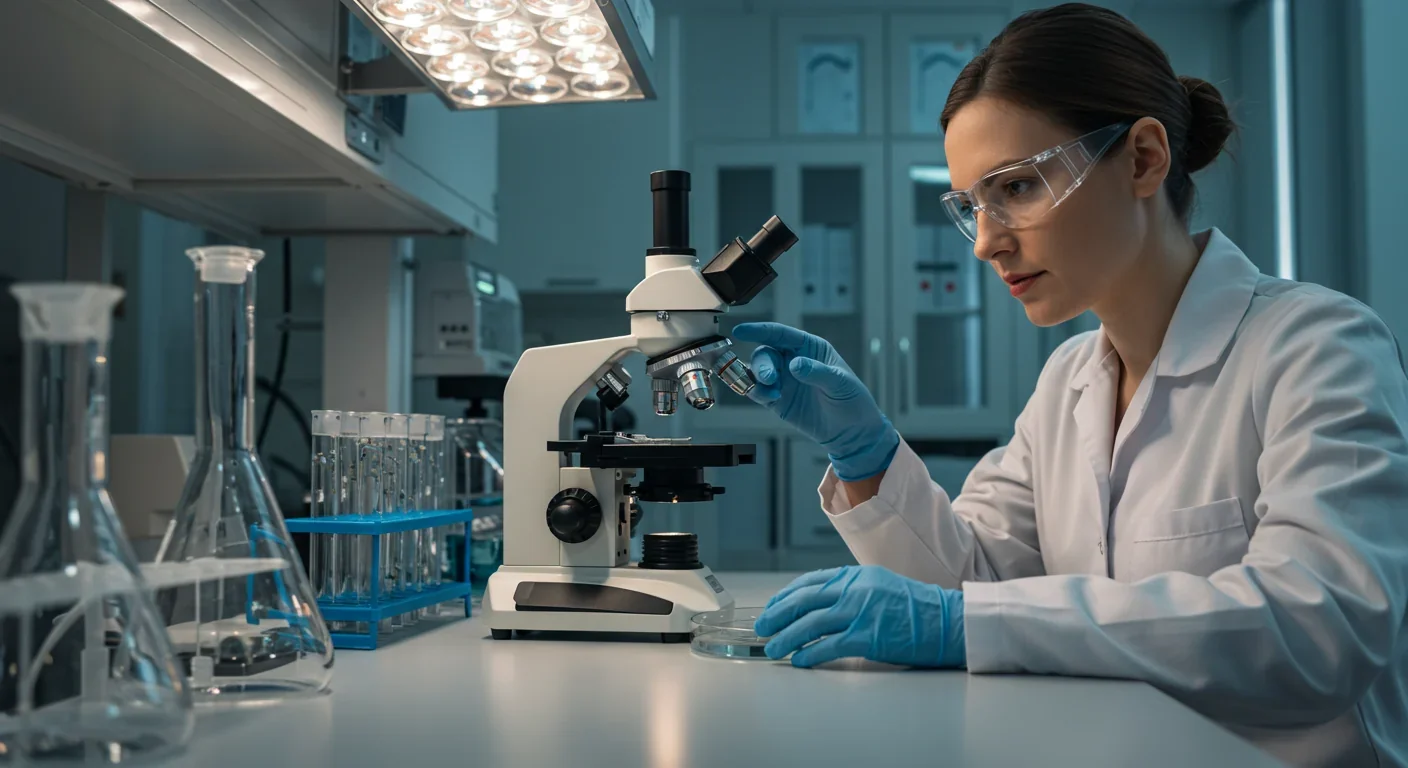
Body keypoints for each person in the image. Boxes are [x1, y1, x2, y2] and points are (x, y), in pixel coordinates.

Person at [735, 4, 1408, 766]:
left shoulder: (1317, 347)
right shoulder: (1069, 381)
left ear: (1145, 159)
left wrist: (967, 626)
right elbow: (970, 586)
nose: (987, 241)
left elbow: (1318, 631)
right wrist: (866, 456)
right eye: (971, 207)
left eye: (1017, 187)